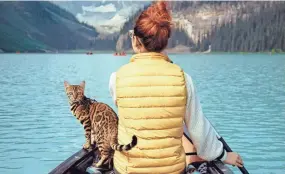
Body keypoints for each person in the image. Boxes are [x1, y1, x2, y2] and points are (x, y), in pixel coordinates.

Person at [108, 1, 243, 174]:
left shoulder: (116, 78)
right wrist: (223, 155)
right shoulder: (183, 79)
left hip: (128, 170)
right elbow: (198, 131)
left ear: (135, 40)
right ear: (165, 43)